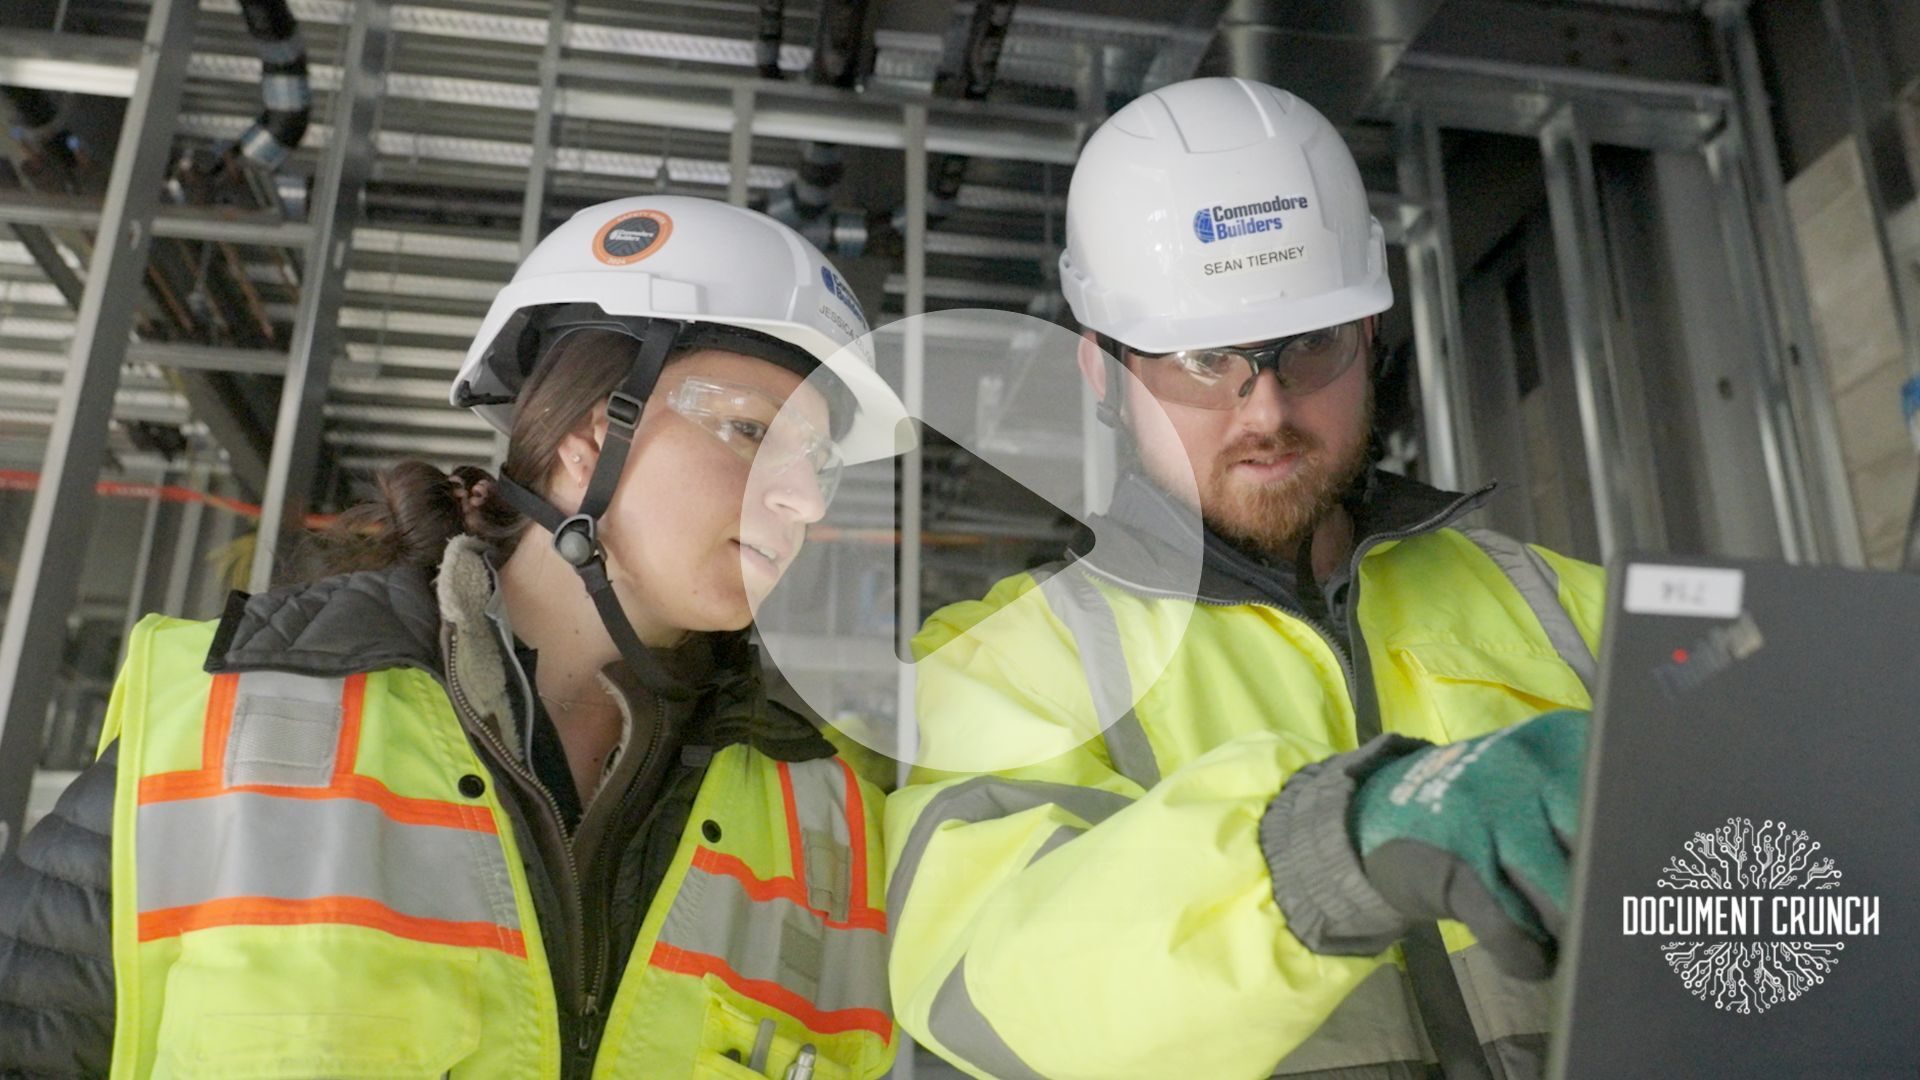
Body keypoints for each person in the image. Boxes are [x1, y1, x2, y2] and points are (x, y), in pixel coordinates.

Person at [0, 195, 904, 1078]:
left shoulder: (829, 822)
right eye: (752, 431)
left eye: (818, 460)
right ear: (591, 435)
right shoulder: (224, 719)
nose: (808, 500)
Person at [884, 78, 1601, 1079]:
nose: (1263, 410)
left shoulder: (1563, 606)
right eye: (1202, 358)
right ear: (1106, 373)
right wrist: (1332, 850)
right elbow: (995, 988)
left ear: (1369, 336)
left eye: (1306, 347)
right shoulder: (1006, 671)